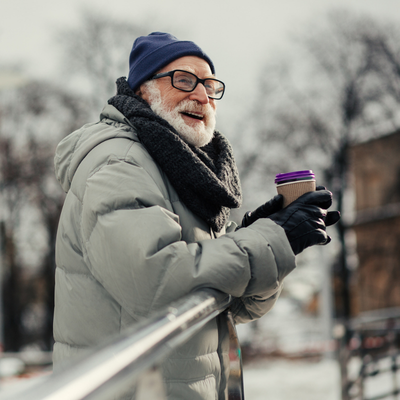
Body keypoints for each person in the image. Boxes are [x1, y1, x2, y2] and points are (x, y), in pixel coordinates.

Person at [53, 32, 340, 399]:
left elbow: (236, 305)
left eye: (210, 85)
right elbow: (158, 280)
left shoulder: (184, 172)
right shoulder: (119, 161)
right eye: (184, 80)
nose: (202, 95)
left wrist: (261, 236)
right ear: (143, 90)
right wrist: (271, 239)